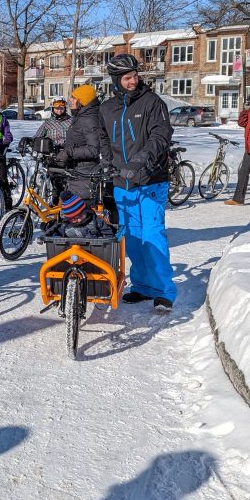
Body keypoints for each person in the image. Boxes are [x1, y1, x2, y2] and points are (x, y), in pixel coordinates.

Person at [96, 53, 176, 311]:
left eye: (135, 76)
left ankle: (164, 290)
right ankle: (142, 286)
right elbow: (104, 140)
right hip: (122, 183)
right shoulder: (107, 108)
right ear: (116, 80)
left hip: (151, 179)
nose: (133, 81)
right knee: (132, 238)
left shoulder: (152, 103)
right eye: (127, 78)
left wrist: (141, 160)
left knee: (153, 236)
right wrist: (107, 163)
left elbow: (161, 136)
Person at [54, 84, 102, 205]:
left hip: (85, 173)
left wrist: (69, 152)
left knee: (77, 215)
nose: (70, 100)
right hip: (76, 171)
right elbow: (78, 141)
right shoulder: (81, 117)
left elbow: (94, 149)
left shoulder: (89, 120)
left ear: (83, 101)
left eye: (74, 98)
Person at [50, 190, 116, 239]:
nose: (78, 220)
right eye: (74, 219)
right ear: (68, 218)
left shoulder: (96, 222)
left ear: (85, 211)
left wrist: (104, 239)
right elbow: (55, 230)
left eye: (80, 216)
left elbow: (108, 233)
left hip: (95, 253)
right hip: (72, 254)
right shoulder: (65, 225)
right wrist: (53, 235)